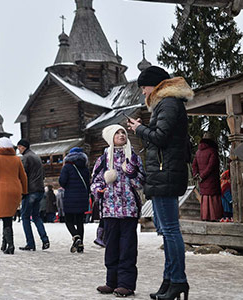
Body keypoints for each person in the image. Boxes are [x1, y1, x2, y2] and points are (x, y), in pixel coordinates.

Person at [128, 66, 191, 300]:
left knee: (171, 231)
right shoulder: (166, 103)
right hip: (163, 173)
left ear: (154, 85)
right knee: (166, 231)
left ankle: (178, 281)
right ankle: (169, 280)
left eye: (144, 87)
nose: (143, 92)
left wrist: (139, 129)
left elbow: (160, 137)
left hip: (166, 174)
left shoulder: (168, 103)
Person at [91, 125, 145, 297]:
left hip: (129, 210)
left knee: (127, 248)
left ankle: (126, 284)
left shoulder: (133, 157)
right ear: (110, 137)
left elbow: (141, 183)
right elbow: (94, 182)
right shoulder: (103, 159)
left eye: (123, 132)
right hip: (109, 210)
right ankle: (111, 282)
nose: (122, 135)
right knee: (111, 247)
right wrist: (100, 189)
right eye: (117, 133)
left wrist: (131, 173)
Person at [0, 137, 28, 254]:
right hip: (16, 189)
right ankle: (4, 243)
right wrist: (24, 191)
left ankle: (10, 245)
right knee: (8, 217)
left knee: (6, 219)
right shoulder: (16, 159)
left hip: (3, 189)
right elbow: (23, 176)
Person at [16, 139, 50, 251]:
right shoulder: (36, 156)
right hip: (40, 189)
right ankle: (45, 239)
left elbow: (23, 174)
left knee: (25, 217)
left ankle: (30, 243)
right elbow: (43, 175)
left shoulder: (26, 158)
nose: (18, 149)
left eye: (19, 147)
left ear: (23, 147)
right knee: (36, 216)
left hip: (30, 191)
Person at [59, 147, 90, 253]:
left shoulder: (67, 167)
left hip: (70, 197)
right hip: (82, 197)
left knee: (69, 220)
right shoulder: (85, 168)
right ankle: (80, 245)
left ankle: (76, 237)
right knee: (80, 222)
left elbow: (62, 182)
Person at [192, 132, 223, 221]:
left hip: (202, 180)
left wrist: (197, 175)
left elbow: (194, 165)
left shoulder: (198, 152)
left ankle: (205, 216)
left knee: (205, 197)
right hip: (211, 179)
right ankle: (214, 216)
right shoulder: (212, 151)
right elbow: (211, 166)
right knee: (213, 197)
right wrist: (203, 176)